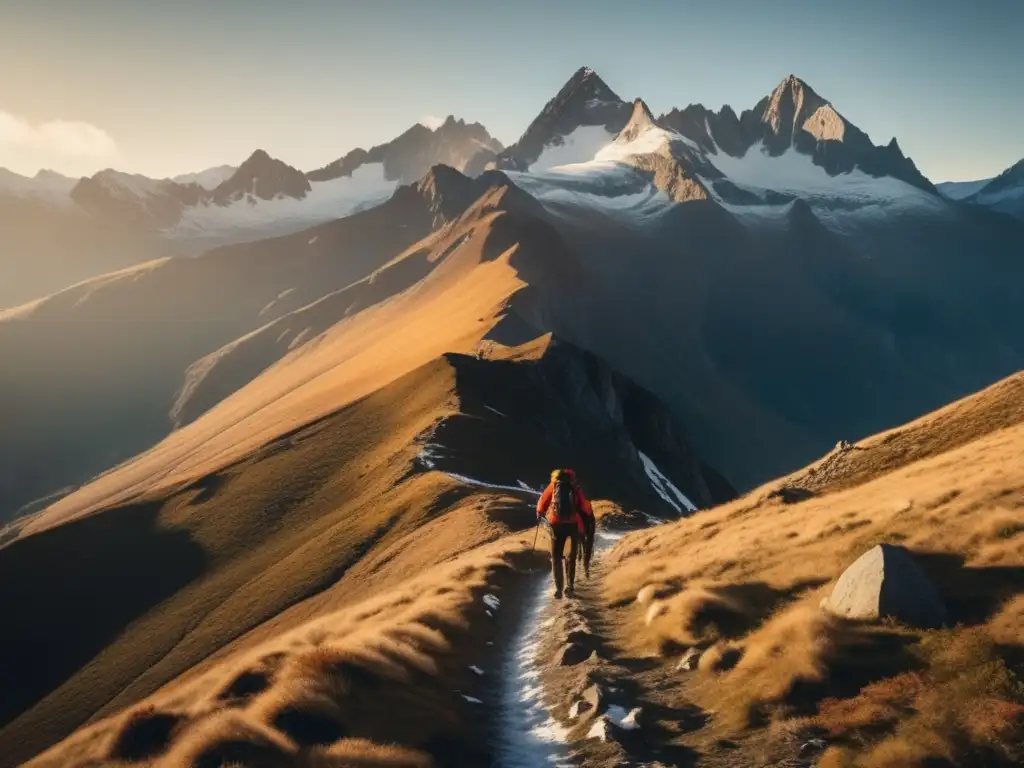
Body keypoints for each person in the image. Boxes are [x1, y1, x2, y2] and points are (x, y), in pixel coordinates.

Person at [536, 468, 595, 599]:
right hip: (572, 526)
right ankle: (570, 585)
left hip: (556, 525)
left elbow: (542, 503)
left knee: (556, 557)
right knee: (571, 556)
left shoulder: (553, 486)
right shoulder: (575, 488)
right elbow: (584, 507)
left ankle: (558, 588)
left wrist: (540, 513)